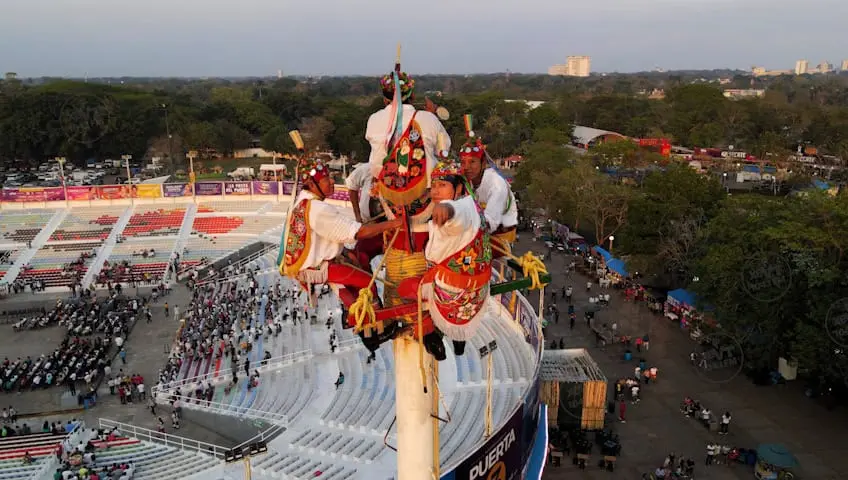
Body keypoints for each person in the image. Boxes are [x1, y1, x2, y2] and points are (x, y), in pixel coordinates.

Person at [398, 159, 493, 356]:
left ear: (458, 188)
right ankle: (460, 340)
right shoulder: (472, 204)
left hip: (451, 290)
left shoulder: (457, 208)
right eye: (433, 186)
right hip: (476, 291)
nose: (435, 191)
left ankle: (432, 337)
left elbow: (455, 215)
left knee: (404, 289)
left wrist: (446, 210)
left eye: (442, 185)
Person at [279, 157, 402, 309]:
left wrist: (345, 252)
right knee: (367, 282)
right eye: (326, 179)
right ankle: (375, 323)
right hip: (316, 267)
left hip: (311, 264)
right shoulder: (317, 209)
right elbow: (359, 232)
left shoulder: (303, 201)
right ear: (311, 185)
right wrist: (394, 223)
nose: (332, 181)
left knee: (361, 257)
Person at [457, 117, 518, 257]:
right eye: (463, 162)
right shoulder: (466, 179)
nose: (466, 167)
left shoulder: (496, 184)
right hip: (476, 233)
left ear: (483, 163)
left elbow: (489, 223)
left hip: (498, 240)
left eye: (472, 162)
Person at [344, 162, 384, 260]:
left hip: (394, 229)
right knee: (361, 259)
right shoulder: (368, 168)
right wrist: (358, 216)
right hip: (369, 227)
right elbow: (352, 185)